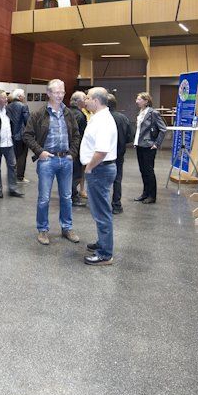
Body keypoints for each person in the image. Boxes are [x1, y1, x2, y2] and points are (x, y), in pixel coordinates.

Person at [22, 79, 81, 246]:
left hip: (66, 160)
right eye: (56, 92)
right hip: (47, 161)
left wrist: (72, 153)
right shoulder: (39, 114)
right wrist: (40, 152)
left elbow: (76, 135)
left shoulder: (68, 113)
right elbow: (27, 135)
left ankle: (67, 228)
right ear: (48, 93)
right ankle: (42, 230)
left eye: (62, 92)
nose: (60, 95)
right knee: (44, 198)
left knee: (67, 197)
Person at [81, 88, 119, 266]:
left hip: (99, 169)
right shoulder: (99, 117)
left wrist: (89, 168)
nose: (85, 100)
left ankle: (105, 254)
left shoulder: (103, 121)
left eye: (88, 98)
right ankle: (103, 242)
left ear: (96, 101)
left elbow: (102, 151)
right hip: (100, 169)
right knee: (99, 210)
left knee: (102, 212)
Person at [0, 89, 24, 199]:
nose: (6, 99)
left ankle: (13, 188)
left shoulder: (8, 110)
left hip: (9, 143)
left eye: (6, 97)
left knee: (12, 165)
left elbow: (12, 124)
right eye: (3, 97)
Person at [134, 91, 167, 205]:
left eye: (139, 99)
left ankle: (152, 196)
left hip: (149, 146)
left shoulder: (153, 113)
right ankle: (145, 193)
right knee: (143, 171)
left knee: (149, 171)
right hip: (139, 145)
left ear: (146, 101)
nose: (137, 101)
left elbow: (163, 129)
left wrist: (156, 144)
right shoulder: (140, 112)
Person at [107, 92, 134, 214]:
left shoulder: (102, 118)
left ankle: (102, 205)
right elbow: (130, 137)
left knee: (103, 180)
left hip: (104, 154)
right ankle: (117, 205)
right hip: (119, 153)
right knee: (117, 179)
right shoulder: (123, 118)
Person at [69, 91, 88, 207]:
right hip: (76, 148)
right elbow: (80, 135)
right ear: (79, 101)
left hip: (67, 148)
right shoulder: (80, 116)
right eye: (85, 99)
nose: (86, 101)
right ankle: (73, 197)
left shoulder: (66, 112)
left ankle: (69, 195)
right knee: (76, 174)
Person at [9, 89, 30, 183]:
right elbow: (27, 121)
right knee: (22, 157)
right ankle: (20, 177)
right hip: (21, 136)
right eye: (23, 95)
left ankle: (12, 175)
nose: (24, 96)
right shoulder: (23, 106)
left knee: (13, 156)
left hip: (11, 135)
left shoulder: (8, 106)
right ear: (19, 96)